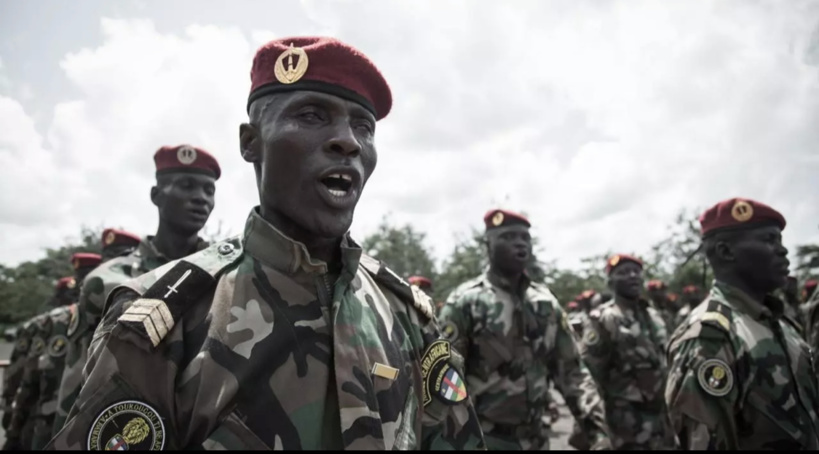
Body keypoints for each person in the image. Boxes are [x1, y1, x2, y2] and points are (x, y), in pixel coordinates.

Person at [47, 36, 485, 450]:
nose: (347, 142)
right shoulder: (166, 319)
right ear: (250, 143)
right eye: (312, 116)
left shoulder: (404, 313)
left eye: (363, 127)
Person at [53, 153, 218, 435]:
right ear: (156, 195)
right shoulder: (106, 281)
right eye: (187, 186)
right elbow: (75, 383)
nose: (201, 198)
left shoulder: (223, 275)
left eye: (209, 190)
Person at [438, 209, 609, 450]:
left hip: (536, 439)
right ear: (488, 245)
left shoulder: (545, 303)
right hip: (480, 440)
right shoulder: (467, 302)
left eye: (524, 238)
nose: (519, 244)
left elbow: (571, 372)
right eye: (507, 237)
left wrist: (596, 430)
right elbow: (444, 377)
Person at [665, 197, 819, 449]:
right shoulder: (710, 336)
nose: (783, 250)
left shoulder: (781, 323)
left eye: (780, 240)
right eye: (769, 240)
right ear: (726, 252)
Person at [578, 254, 677, 450]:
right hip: (626, 427)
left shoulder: (654, 315)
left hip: (662, 423)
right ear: (610, 282)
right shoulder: (603, 320)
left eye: (636, 271)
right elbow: (589, 376)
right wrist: (597, 430)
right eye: (623, 272)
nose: (632, 276)